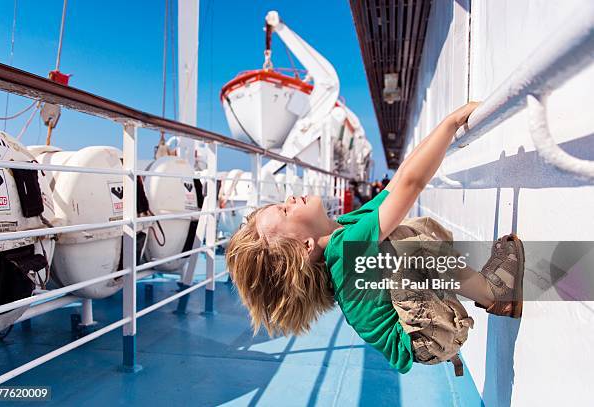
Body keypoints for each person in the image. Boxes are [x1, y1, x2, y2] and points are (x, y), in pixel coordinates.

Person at [225, 102, 525, 376]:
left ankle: (485, 293)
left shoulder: (345, 226)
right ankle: (493, 294)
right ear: (305, 247)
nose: (290, 198)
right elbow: (411, 184)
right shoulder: (345, 250)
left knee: (397, 236)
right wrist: (452, 122)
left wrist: (447, 124)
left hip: (424, 327)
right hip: (426, 339)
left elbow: (399, 178)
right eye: (285, 209)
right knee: (405, 244)